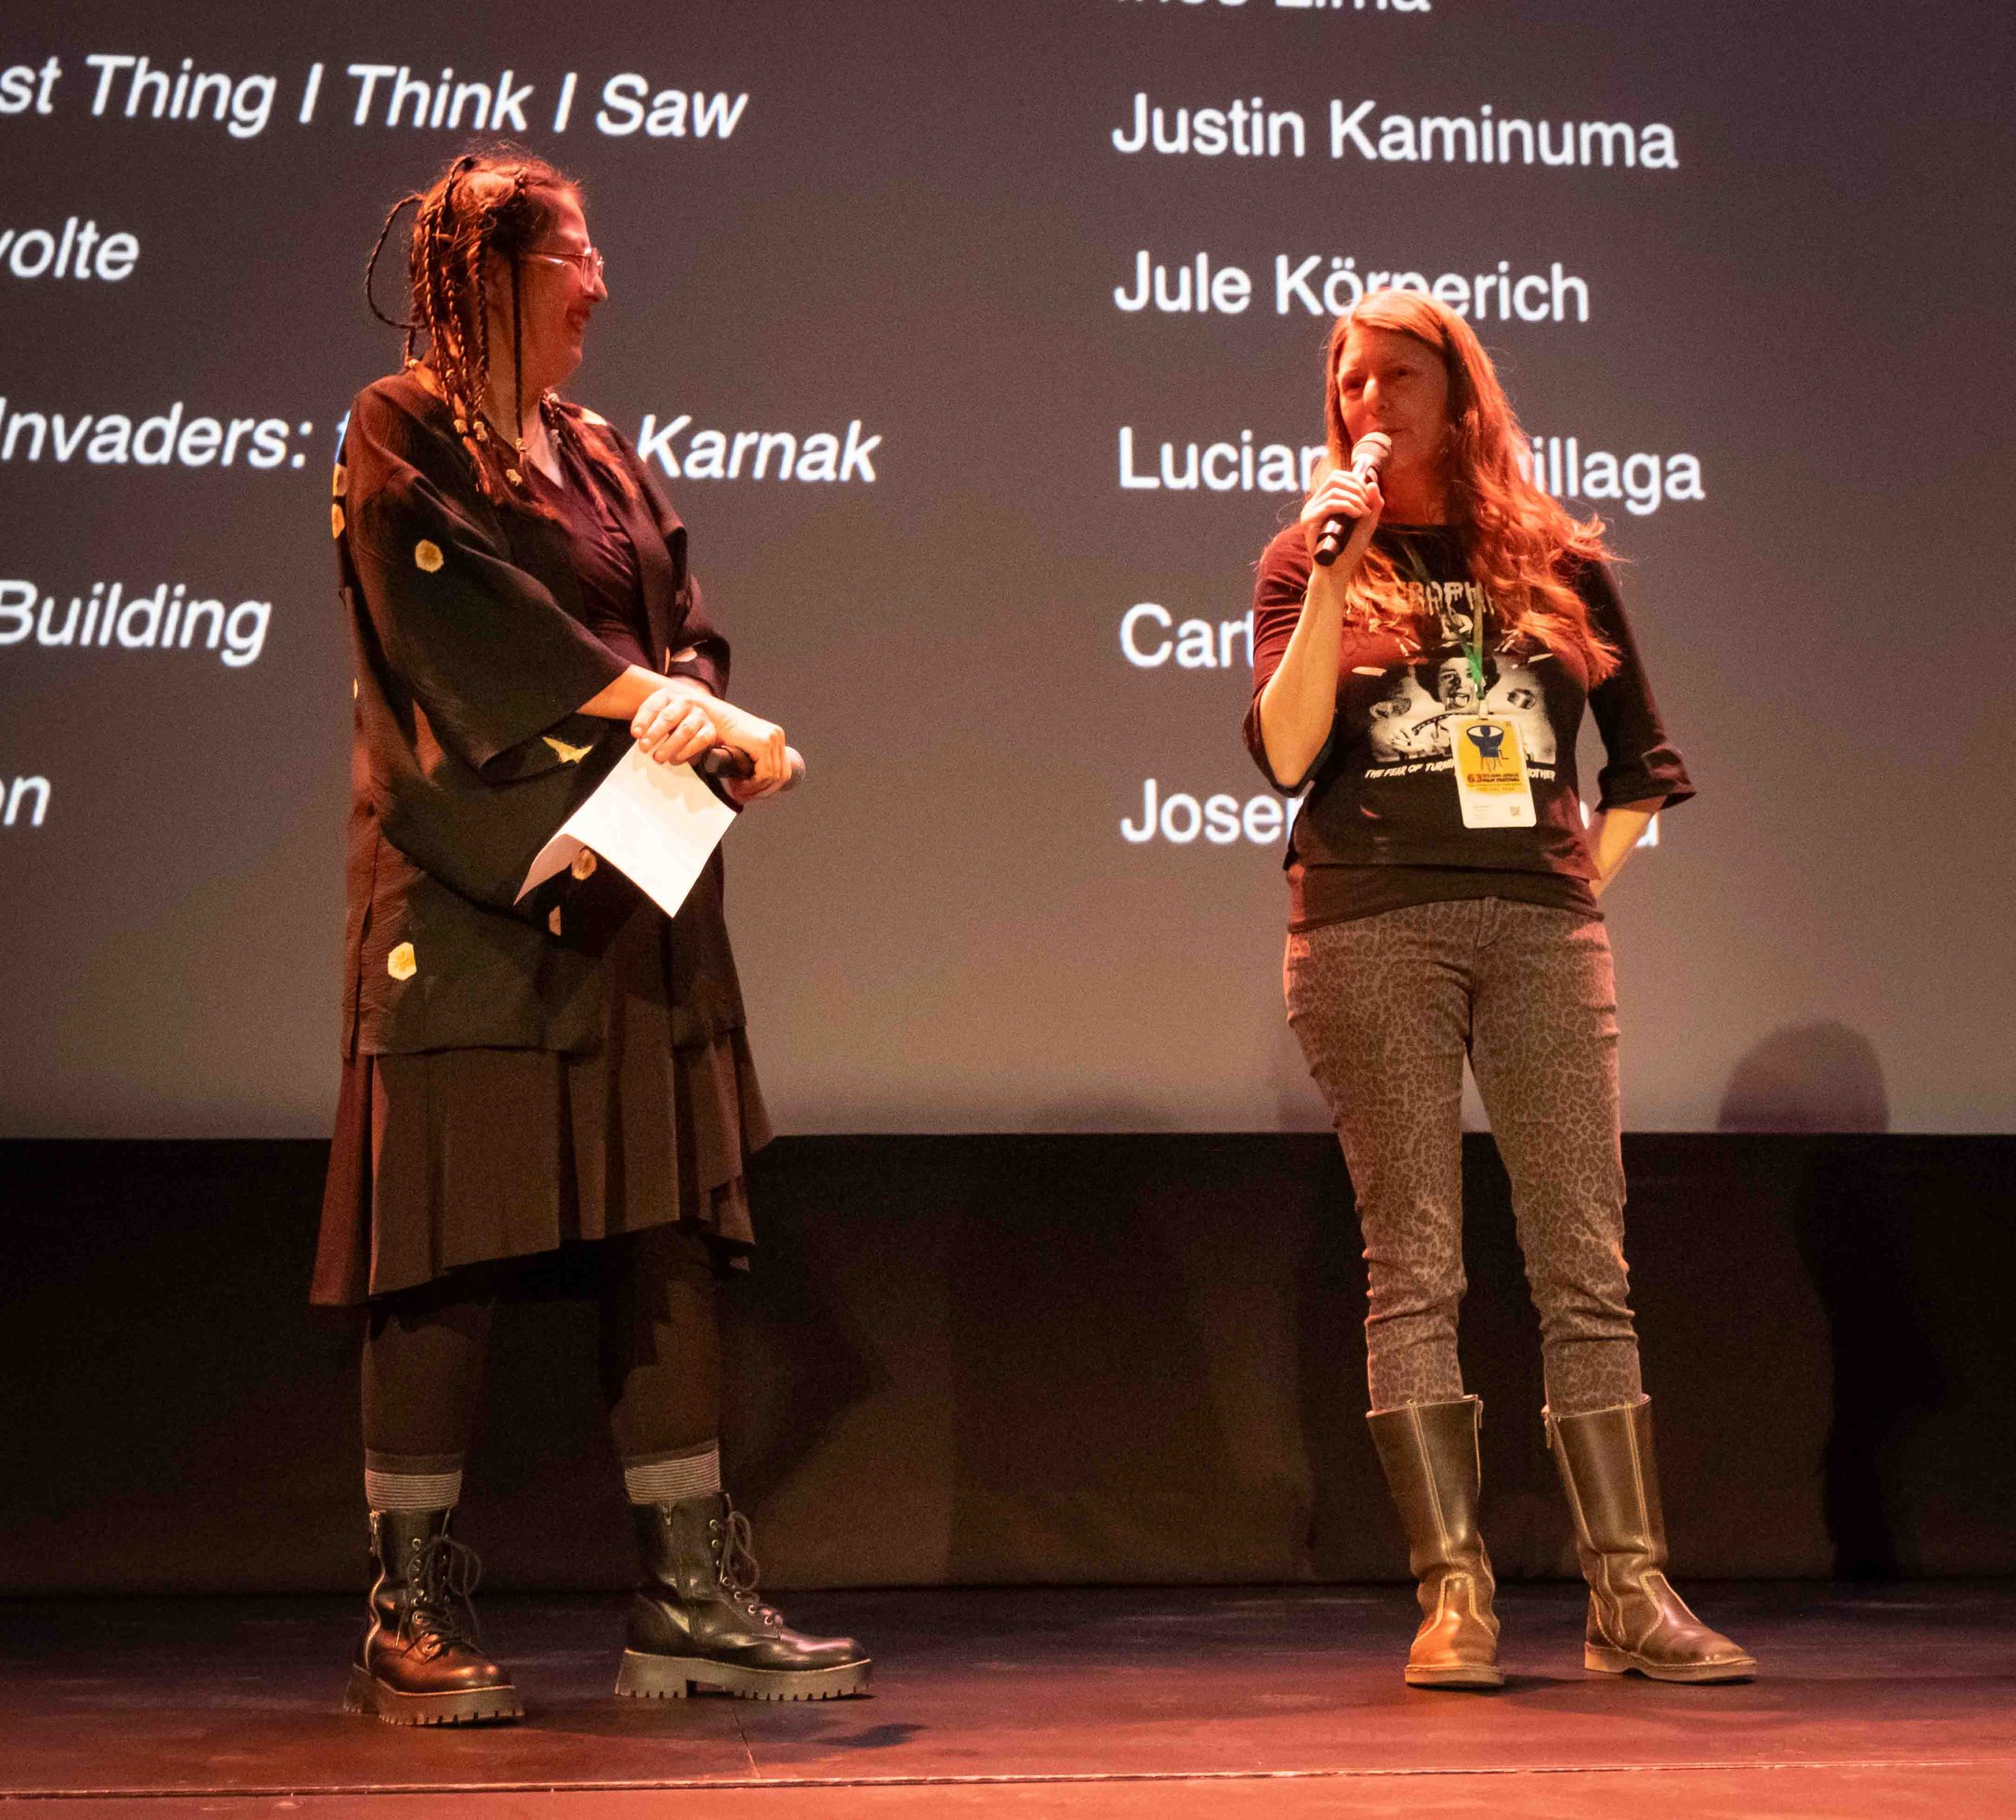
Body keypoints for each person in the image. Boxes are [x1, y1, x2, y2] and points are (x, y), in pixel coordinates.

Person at [315, 147, 869, 1725]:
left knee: (660, 1223)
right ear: (491, 270)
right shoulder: (399, 429)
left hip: (633, 879)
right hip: (469, 892)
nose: (603, 283)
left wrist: (702, 713)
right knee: (444, 1245)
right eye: (577, 252)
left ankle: (688, 1595)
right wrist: (675, 706)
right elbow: (473, 628)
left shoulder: (600, 450)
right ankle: (406, 1610)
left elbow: (672, 615)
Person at [1245, 290, 1753, 1690]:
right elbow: (1285, 757)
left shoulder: (1557, 561)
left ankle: (1630, 1594)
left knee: (1584, 1263)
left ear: (1459, 396)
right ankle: (1454, 1596)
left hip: (1539, 930)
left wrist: (1573, 879)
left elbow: (1643, 768)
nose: (1369, 403)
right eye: (1350, 380)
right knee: (1414, 1264)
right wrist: (1338, 574)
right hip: (1364, 926)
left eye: (1399, 377)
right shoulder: (1304, 558)